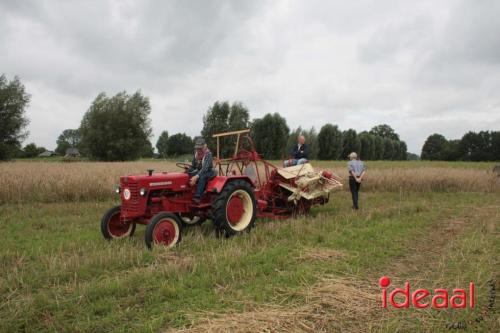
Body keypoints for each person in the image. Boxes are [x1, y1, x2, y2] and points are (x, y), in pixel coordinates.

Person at [188, 137, 216, 203]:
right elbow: (193, 165)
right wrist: (189, 169)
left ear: (204, 146)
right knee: (187, 173)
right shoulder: (196, 154)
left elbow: (204, 168)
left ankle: (198, 197)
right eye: (197, 148)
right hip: (199, 171)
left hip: (209, 172)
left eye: (200, 148)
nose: (198, 150)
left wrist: (196, 176)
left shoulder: (208, 154)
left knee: (202, 176)